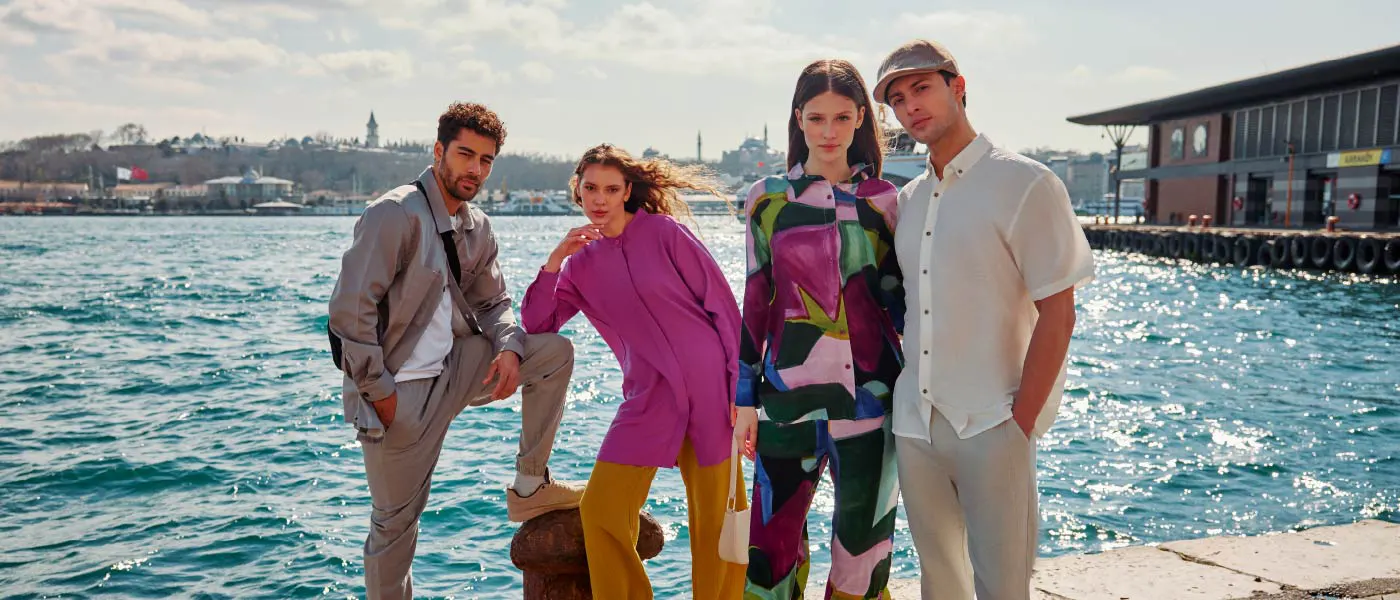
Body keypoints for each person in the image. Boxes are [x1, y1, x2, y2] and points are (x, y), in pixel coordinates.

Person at [328, 102, 585, 600]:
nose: (475, 169)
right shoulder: (393, 214)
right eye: (466, 155)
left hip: (456, 371)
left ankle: (529, 484)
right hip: (398, 395)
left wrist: (510, 349)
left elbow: (495, 304)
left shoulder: (478, 226)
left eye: (486, 161)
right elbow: (348, 318)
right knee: (394, 530)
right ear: (438, 151)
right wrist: (380, 394)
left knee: (552, 353)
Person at [872, 40, 1095, 600]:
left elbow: (1058, 311)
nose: (910, 106)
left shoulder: (1026, 183)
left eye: (922, 88)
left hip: (993, 424)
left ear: (957, 85)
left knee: (1002, 588)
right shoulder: (911, 198)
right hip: (916, 424)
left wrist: (1019, 424)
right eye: (898, 99)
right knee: (940, 585)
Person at [520, 143, 748, 600]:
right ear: (578, 192)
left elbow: (722, 307)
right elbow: (538, 323)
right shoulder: (580, 266)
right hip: (648, 397)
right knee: (602, 510)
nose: (599, 198)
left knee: (717, 521)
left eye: (610, 188)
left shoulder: (665, 233)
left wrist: (739, 389)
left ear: (627, 192)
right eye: (590, 188)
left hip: (709, 388)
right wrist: (554, 261)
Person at [734, 59, 905, 599]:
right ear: (798, 120)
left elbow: (900, 302)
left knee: (863, 559)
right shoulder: (766, 199)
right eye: (816, 118)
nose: (828, 132)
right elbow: (756, 299)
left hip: (873, 404)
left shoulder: (885, 201)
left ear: (861, 120)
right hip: (785, 403)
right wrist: (742, 399)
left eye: (841, 117)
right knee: (767, 560)